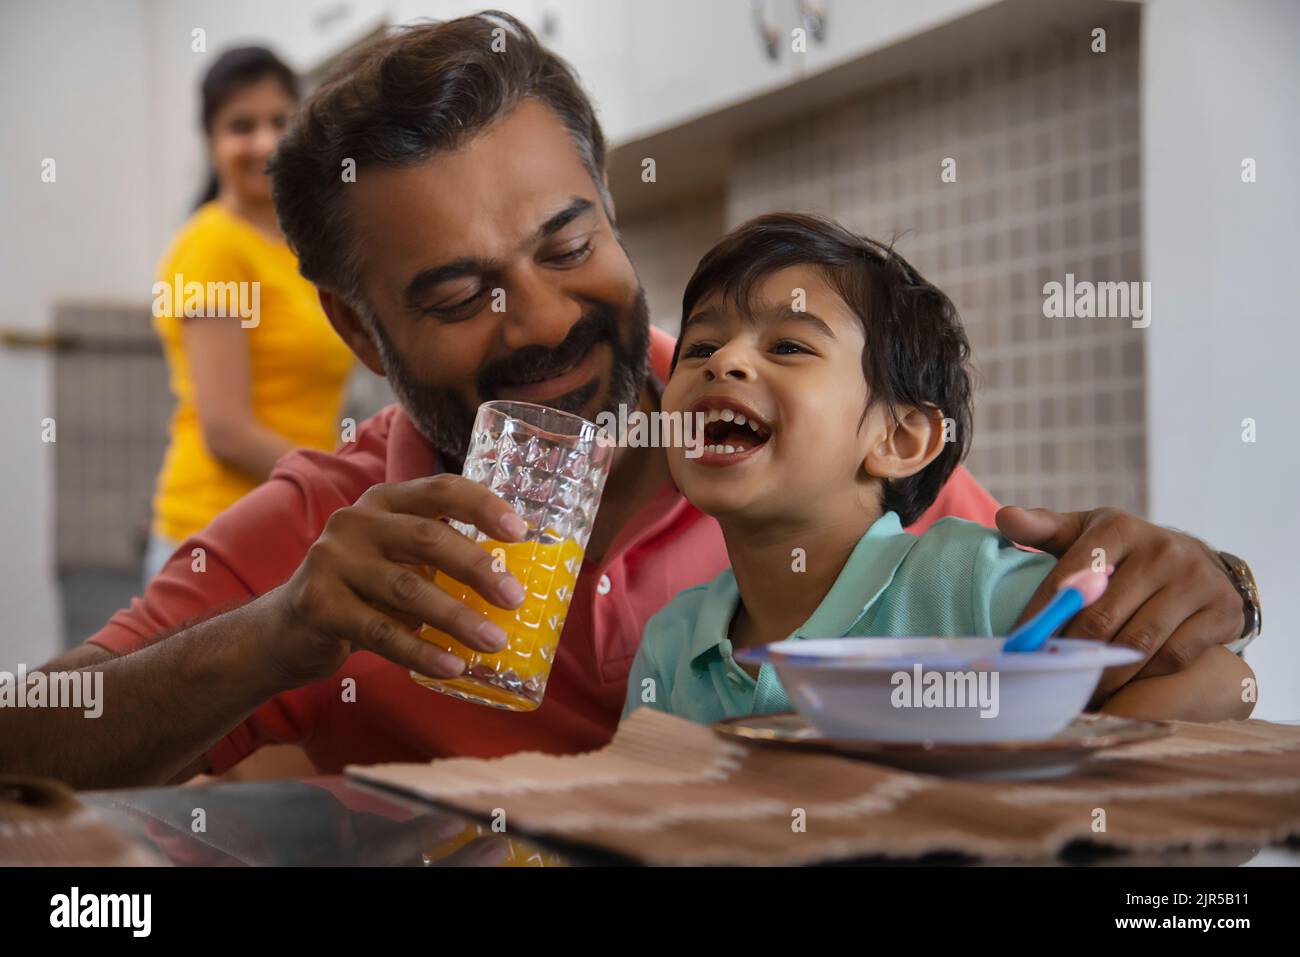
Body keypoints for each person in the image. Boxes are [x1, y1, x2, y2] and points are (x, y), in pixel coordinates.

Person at [2, 14, 1254, 789]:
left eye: (565, 244)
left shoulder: (790, 438)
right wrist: (276, 637)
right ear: (356, 330)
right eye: (456, 296)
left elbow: (1101, 664)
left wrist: (1214, 596)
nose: (541, 321)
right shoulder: (332, 536)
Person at [621, 213, 1253, 725]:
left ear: (897, 439)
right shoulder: (672, 645)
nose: (723, 359)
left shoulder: (966, 584)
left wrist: (1056, 794)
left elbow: (1224, 681)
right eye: (699, 346)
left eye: (789, 345)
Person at [144, 46, 353, 584]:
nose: (264, 142)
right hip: (215, 536)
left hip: (290, 523)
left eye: (280, 121)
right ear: (212, 141)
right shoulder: (211, 248)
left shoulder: (300, 247)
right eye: (241, 126)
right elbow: (228, 432)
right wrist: (351, 484)